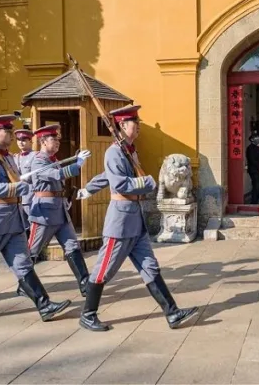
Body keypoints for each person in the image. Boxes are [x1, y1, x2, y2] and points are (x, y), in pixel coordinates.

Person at [77, 105, 198, 332]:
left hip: (136, 221)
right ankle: (87, 314)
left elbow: (106, 176)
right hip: (120, 222)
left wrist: (89, 188)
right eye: (135, 123)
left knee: (150, 268)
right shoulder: (113, 152)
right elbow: (120, 183)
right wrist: (147, 183)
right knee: (104, 269)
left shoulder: (128, 151)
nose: (139, 127)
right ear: (122, 126)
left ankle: (172, 312)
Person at [0, 114, 70, 324]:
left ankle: (44, 305)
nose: (9, 134)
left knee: (23, 265)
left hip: (14, 220)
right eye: (5, 131)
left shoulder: (7, 157)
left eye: (9, 130)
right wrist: (16, 187)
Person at [19, 124, 93, 298]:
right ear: (43, 141)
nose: (58, 142)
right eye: (54, 139)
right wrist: (78, 164)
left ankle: (84, 283)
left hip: (59, 209)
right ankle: (24, 284)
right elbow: (56, 175)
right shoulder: (39, 160)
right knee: (33, 250)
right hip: (44, 212)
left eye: (58, 139)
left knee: (72, 246)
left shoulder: (52, 160)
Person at [246, 134, 259, 204]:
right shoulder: (250, 148)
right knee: (257, 186)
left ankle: (255, 201)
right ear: (252, 139)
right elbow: (252, 160)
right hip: (253, 170)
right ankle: (253, 202)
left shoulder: (258, 147)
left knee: (258, 186)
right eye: (257, 138)